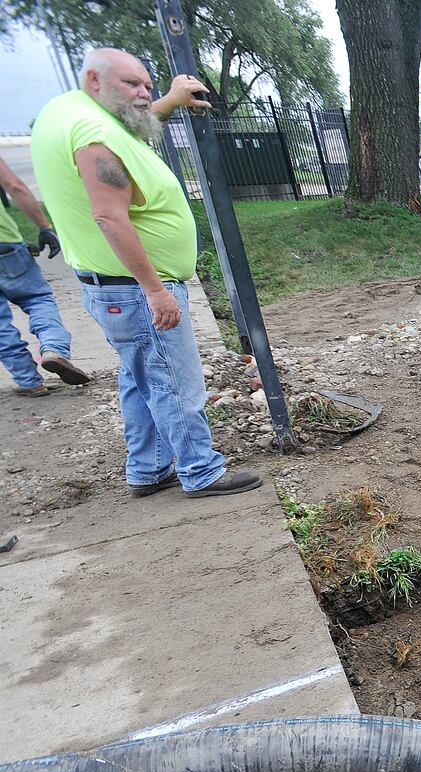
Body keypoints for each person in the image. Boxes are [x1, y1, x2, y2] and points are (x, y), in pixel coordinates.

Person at [31, 48, 259, 498]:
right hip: (135, 290)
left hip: (113, 288)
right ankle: (200, 471)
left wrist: (167, 102)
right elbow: (110, 217)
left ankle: (148, 469)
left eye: (147, 86)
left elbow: (127, 122)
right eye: (132, 85)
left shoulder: (70, 109)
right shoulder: (94, 135)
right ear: (94, 79)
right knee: (174, 382)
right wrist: (155, 290)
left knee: (142, 379)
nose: (142, 94)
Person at [0, 155, 89, 396]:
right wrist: (44, 227)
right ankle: (54, 348)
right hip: (5, 245)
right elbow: (15, 186)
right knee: (37, 299)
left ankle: (29, 381)